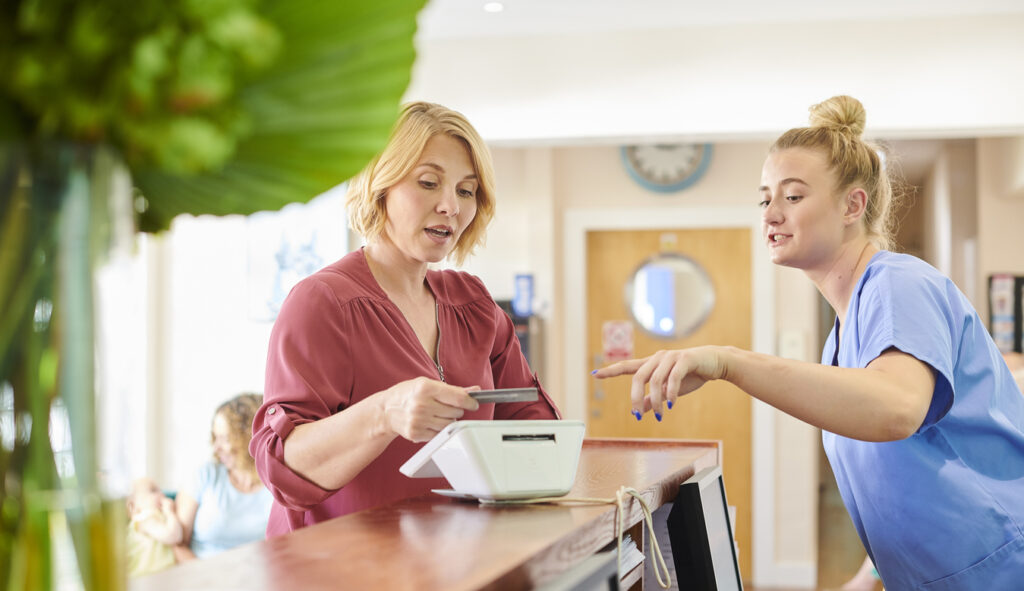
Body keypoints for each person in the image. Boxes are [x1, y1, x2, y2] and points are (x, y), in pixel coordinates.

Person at [595, 95, 1024, 589]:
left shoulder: (898, 283)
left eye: (793, 197)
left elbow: (897, 408)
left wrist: (728, 362)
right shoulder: (841, 337)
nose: (771, 214)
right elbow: (903, 478)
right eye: (765, 198)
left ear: (852, 205)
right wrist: (869, 576)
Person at [250, 101, 560, 537]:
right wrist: (383, 413)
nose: (450, 206)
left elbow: (531, 423)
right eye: (429, 183)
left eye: (466, 191)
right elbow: (284, 469)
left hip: (450, 566)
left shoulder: (472, 304)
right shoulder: (324, 302)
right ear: (381, 187)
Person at [174, 392, 273, 561]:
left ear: (250, 437)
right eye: (215, 437)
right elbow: (177, 545)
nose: (216, 447)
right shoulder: (205, 475)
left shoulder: (276, 484)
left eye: (224, 438)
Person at [126, 477, 183, 577]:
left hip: (162, 576)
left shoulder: (158, 516)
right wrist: (170, 512)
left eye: (160, 490)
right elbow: (174, 536)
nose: (162, 494)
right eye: (153, 490)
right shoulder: (144, 519)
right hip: (146, 577)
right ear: (134, 505)